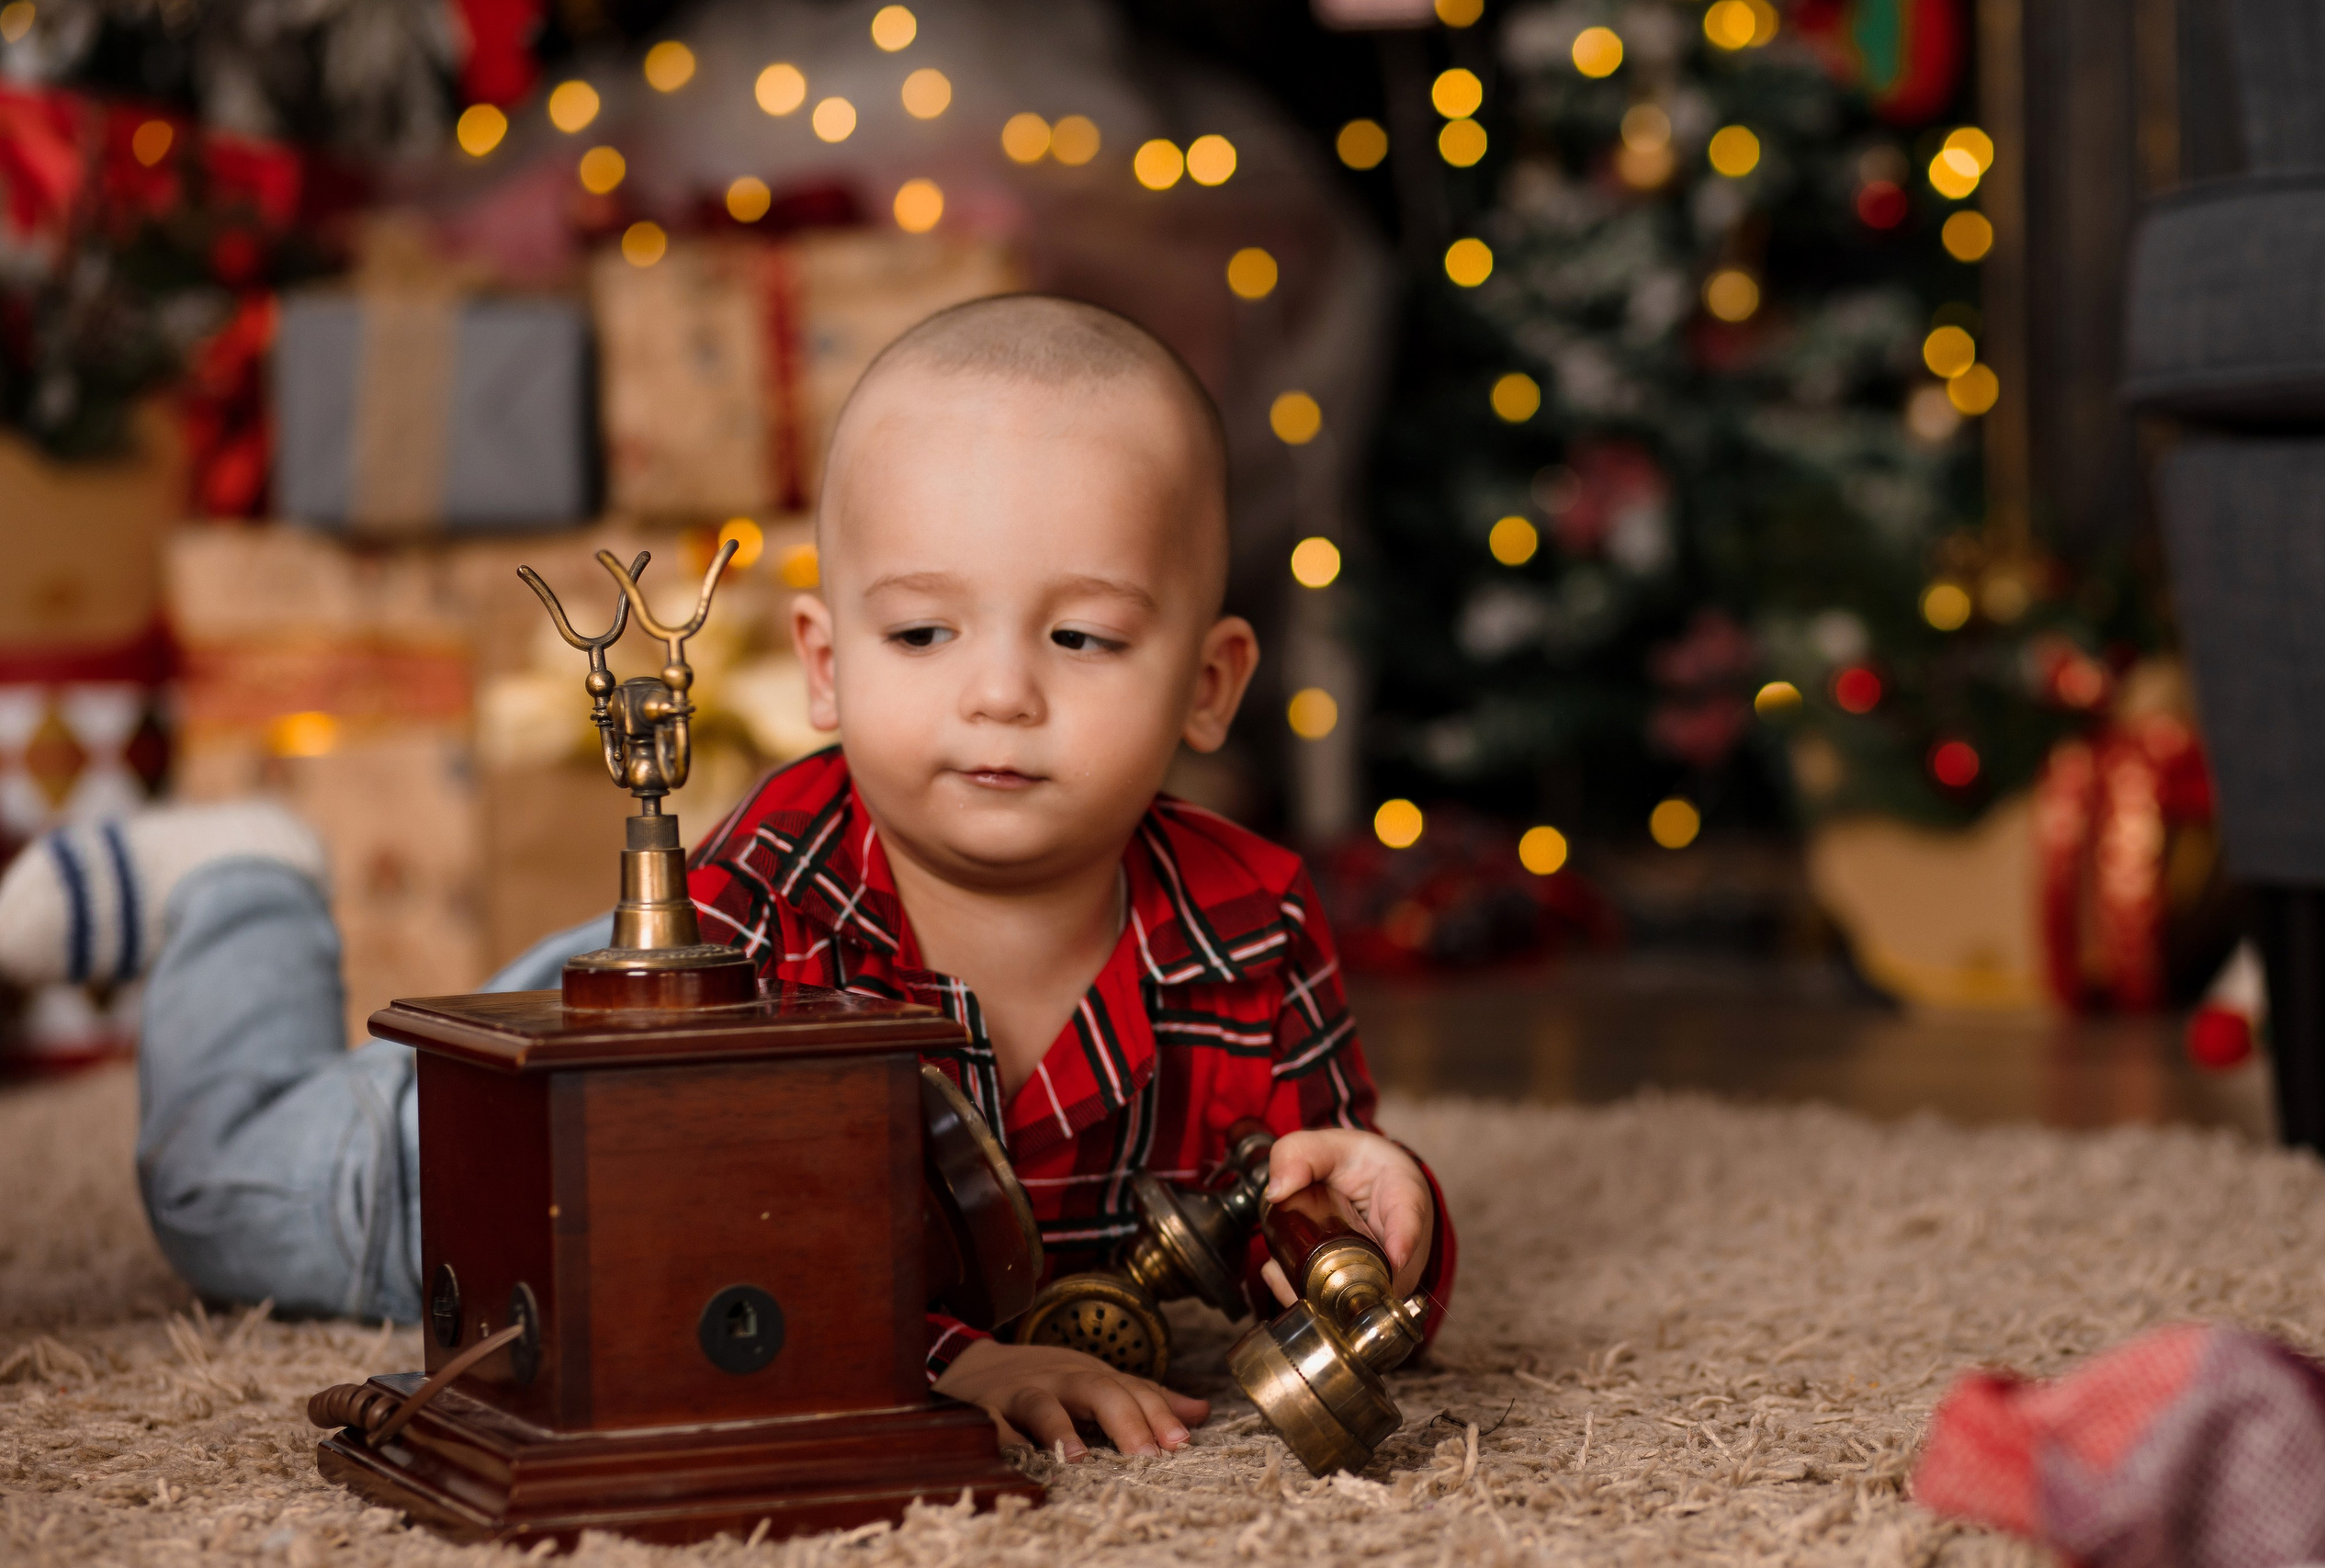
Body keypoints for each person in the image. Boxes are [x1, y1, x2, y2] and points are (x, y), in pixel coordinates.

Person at [0, 295, 1451, 1462]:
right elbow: (715, 1251)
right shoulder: (787, 880)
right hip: (605, 1111)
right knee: (218, 1198)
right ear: (823, 664)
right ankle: (241, 882)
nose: (1000, 694)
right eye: (923, 637)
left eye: (1079, 640)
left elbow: (1306, 1207)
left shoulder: (1250, 920)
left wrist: (1384, 1214)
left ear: (1209, 683)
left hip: (680, 998)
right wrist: (962, 1359)